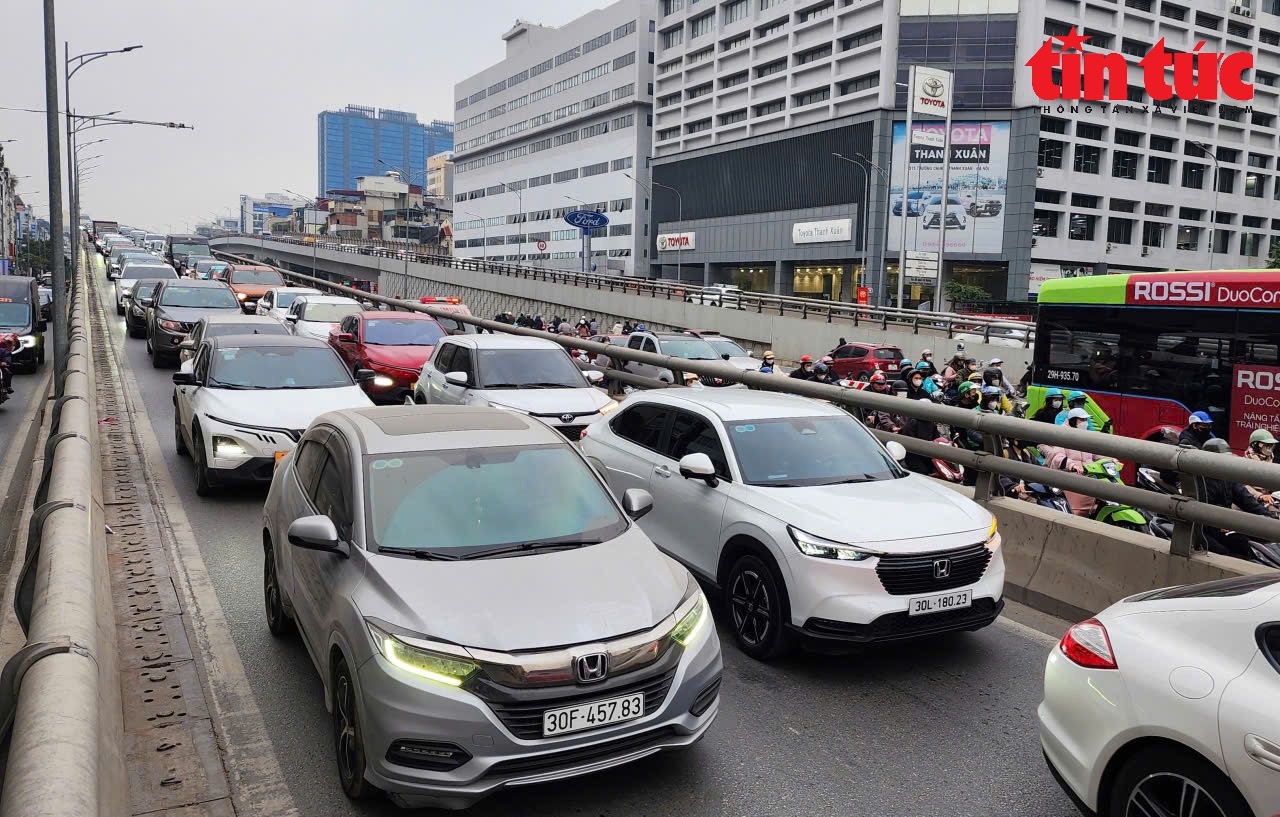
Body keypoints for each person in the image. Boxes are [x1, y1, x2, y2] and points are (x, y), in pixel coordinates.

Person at [1200, 437, 1280, 558]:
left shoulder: (1228, 477)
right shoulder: (1199, 480)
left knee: (1252, 542)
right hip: (1204, 528)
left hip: (1227, 523)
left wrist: (1269, 517)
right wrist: (1220, 522)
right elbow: (1200, 510)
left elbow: (1245, 499)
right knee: (1224, 553)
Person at [1040, 408, 1101, 516]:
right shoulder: (1064, 435)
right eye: (1081, 420)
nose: (1085, 423)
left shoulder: (1087, 436)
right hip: (1070, 479)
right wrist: (1072, 465)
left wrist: (1111, 460)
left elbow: (1098, 453)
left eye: (1086, 420)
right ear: (1073, 420)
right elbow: (1058, 457)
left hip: (1088, 477)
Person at [1243, 428, 1278, 505]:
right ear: (1256, 445)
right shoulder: (1245, 462)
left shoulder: (1270, 458)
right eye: (1267, 445)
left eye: (1271, 446)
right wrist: (1260, 496)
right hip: (1249, 501)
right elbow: (1242, 486)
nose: (1270, 449)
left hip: (1269, 500)